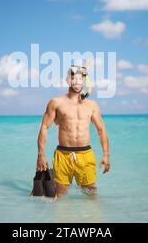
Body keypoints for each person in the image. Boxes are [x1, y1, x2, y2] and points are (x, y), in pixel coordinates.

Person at [36, 64, 110, 199]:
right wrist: (41, 155)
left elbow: (101, 130)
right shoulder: (56, 102)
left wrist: (106, 155)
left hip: (85, 155)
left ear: (84, 81)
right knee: (61, 197)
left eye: (80, 79)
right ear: (68, 80)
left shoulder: (91, 105)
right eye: (73, 78)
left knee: (91, 196)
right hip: (63, 156)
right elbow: (44, 127)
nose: (77, 82)